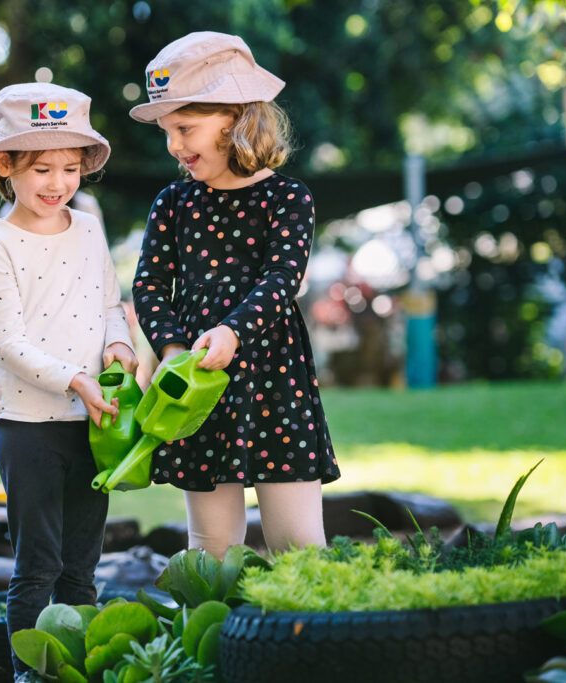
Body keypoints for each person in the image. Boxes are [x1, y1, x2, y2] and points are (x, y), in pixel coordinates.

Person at [129, 32, 340, 560]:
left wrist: (232, 331)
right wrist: (175, 351)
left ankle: (311, 640)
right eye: (167, 132)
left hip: (273, 378)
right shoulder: (173, 201)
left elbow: (281, 279)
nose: (175, 145)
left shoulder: (288, 198)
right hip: (198, 384)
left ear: (234, 117)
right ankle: (218, 642)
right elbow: (150, 286)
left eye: (185, 128)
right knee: (212, 549)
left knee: (297, 544)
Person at [0, 82, 138, 678]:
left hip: (91, 423)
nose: (57, 182)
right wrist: (75, 379)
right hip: (26, 426)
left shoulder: (89, 232)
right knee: (37, 566)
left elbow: (111, 304)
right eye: (42, 167)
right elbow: (7, 343)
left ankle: (77, 669)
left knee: (81, 568)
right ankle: (29, 672)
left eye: (70, 168)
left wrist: (119, 346)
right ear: (7, 166)